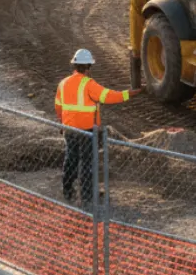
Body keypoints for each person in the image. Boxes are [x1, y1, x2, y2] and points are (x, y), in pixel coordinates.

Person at [54, 48, 140, 204]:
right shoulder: (89, 84)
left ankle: (68, 191)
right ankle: (87, 196)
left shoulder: (63, 83)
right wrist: (129, 94)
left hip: (69, 129)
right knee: (87, 162)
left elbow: (58, 106)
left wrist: (61, 122)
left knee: (71, 159)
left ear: (75, 65)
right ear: (88, 67)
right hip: (87, 131)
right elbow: (109, 96)